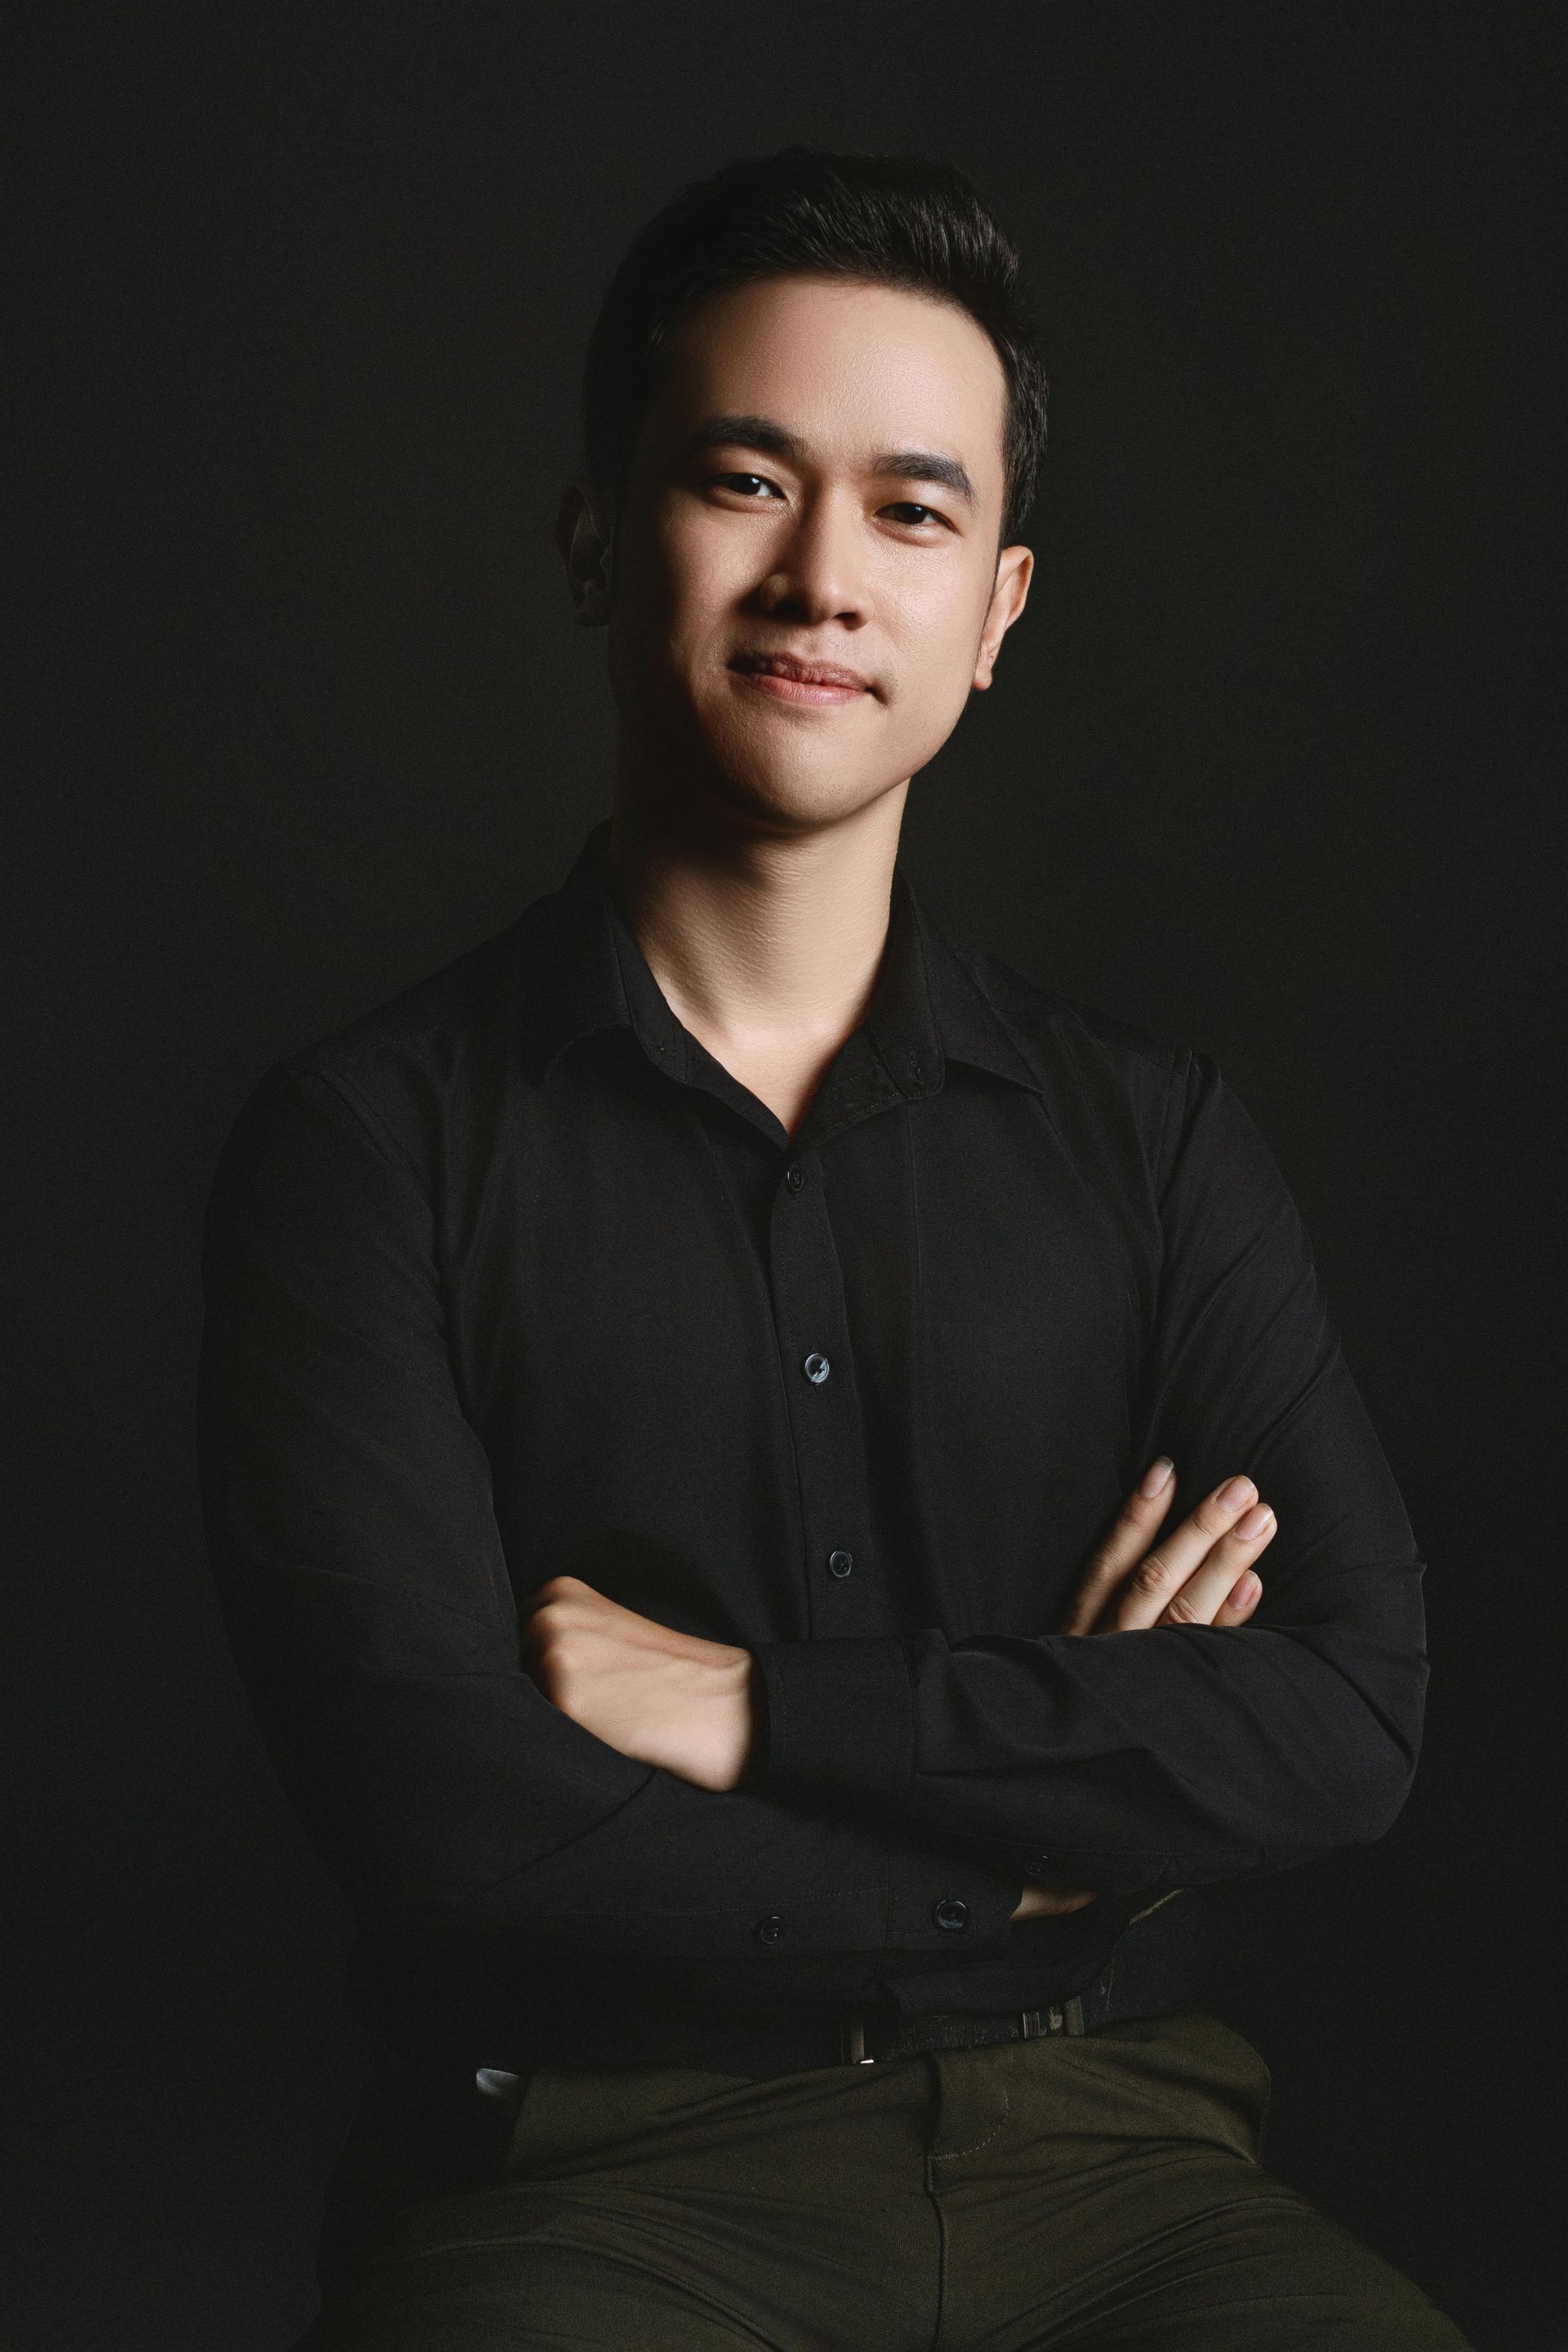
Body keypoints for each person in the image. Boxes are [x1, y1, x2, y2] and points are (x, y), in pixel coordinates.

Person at [198, 147, 1470, 2350]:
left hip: (1122, 2150)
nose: (824, 579)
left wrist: (754, 1712)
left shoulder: (1151, 1141)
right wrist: (1056, 1834)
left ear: (998, 610)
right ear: (600, 539)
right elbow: (456, 1820)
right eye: (745, 480)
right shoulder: (363, 1150)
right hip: (595, 2182)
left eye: (912, 509)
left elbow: (1347, 1711)